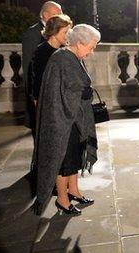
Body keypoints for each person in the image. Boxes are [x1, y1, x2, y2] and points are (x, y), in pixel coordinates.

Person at [32, 24, 101, 216]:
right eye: (91, 46)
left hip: (73, 119)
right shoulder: (62, 59)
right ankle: (62, 200)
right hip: (62, 121)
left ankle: (74, 191)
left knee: (75, 157)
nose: (92, 51)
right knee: (64, 161)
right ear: (79, 43)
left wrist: (82, 92)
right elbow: (61, 94)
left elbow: (73, 87)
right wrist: (82, 93)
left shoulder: (72, 57)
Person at [22, 1, 63, 139]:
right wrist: (35, 98)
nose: (61, 16)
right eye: (57, 13)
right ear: (45, 15)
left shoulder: (59, 32)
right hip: (40, 96)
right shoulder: (32, 33)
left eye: (61, 13)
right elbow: (29, 67)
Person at [28, 14, 72, 109]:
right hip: (48, 98)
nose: (68, 36)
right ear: (54, 31)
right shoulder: (41, 51)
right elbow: (37, 78)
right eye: (65, 32)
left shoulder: (66, 49)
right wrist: (37, 100)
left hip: (64, 98)